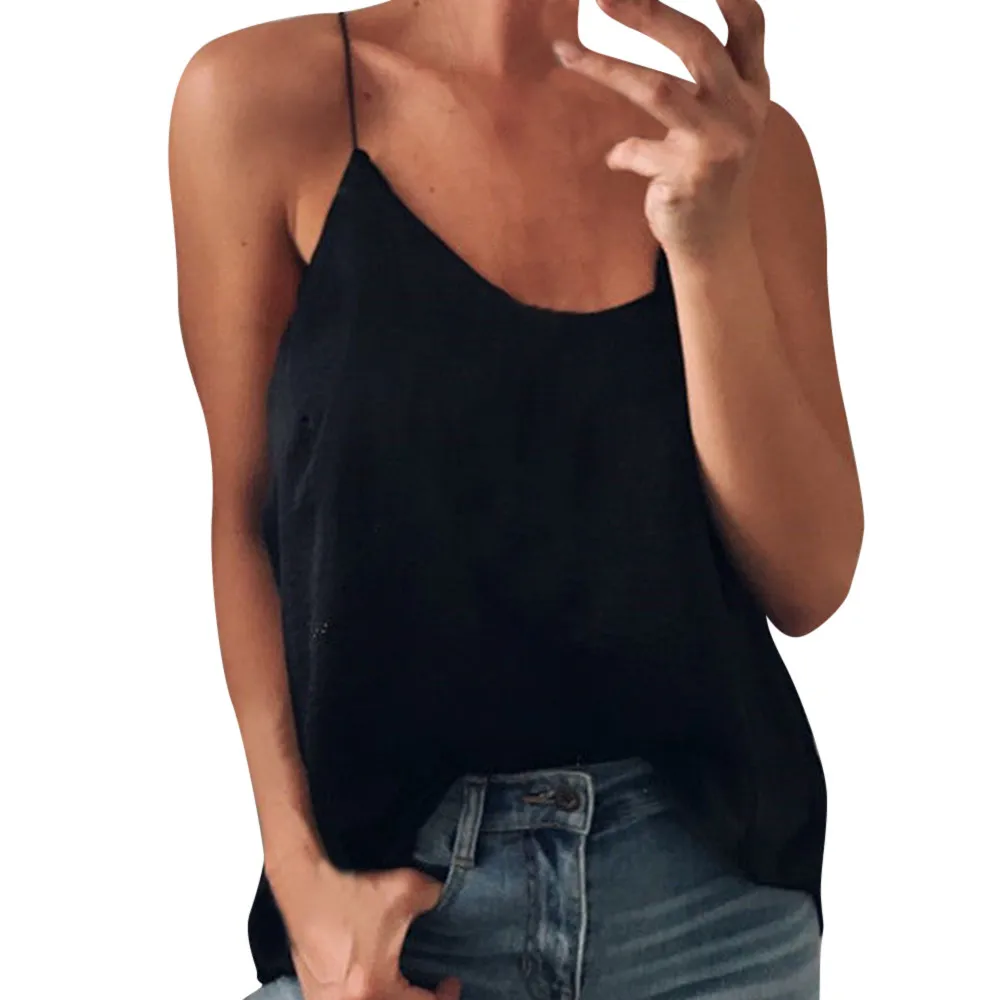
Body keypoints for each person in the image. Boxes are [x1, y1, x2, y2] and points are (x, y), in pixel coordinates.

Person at [168, 1, 863, 998]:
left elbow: (810, 579)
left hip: (706, 920)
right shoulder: (261, 102)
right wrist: (302, 882)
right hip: (397, 917)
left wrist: (707, 247)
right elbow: (245, 520)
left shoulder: (735, 146)